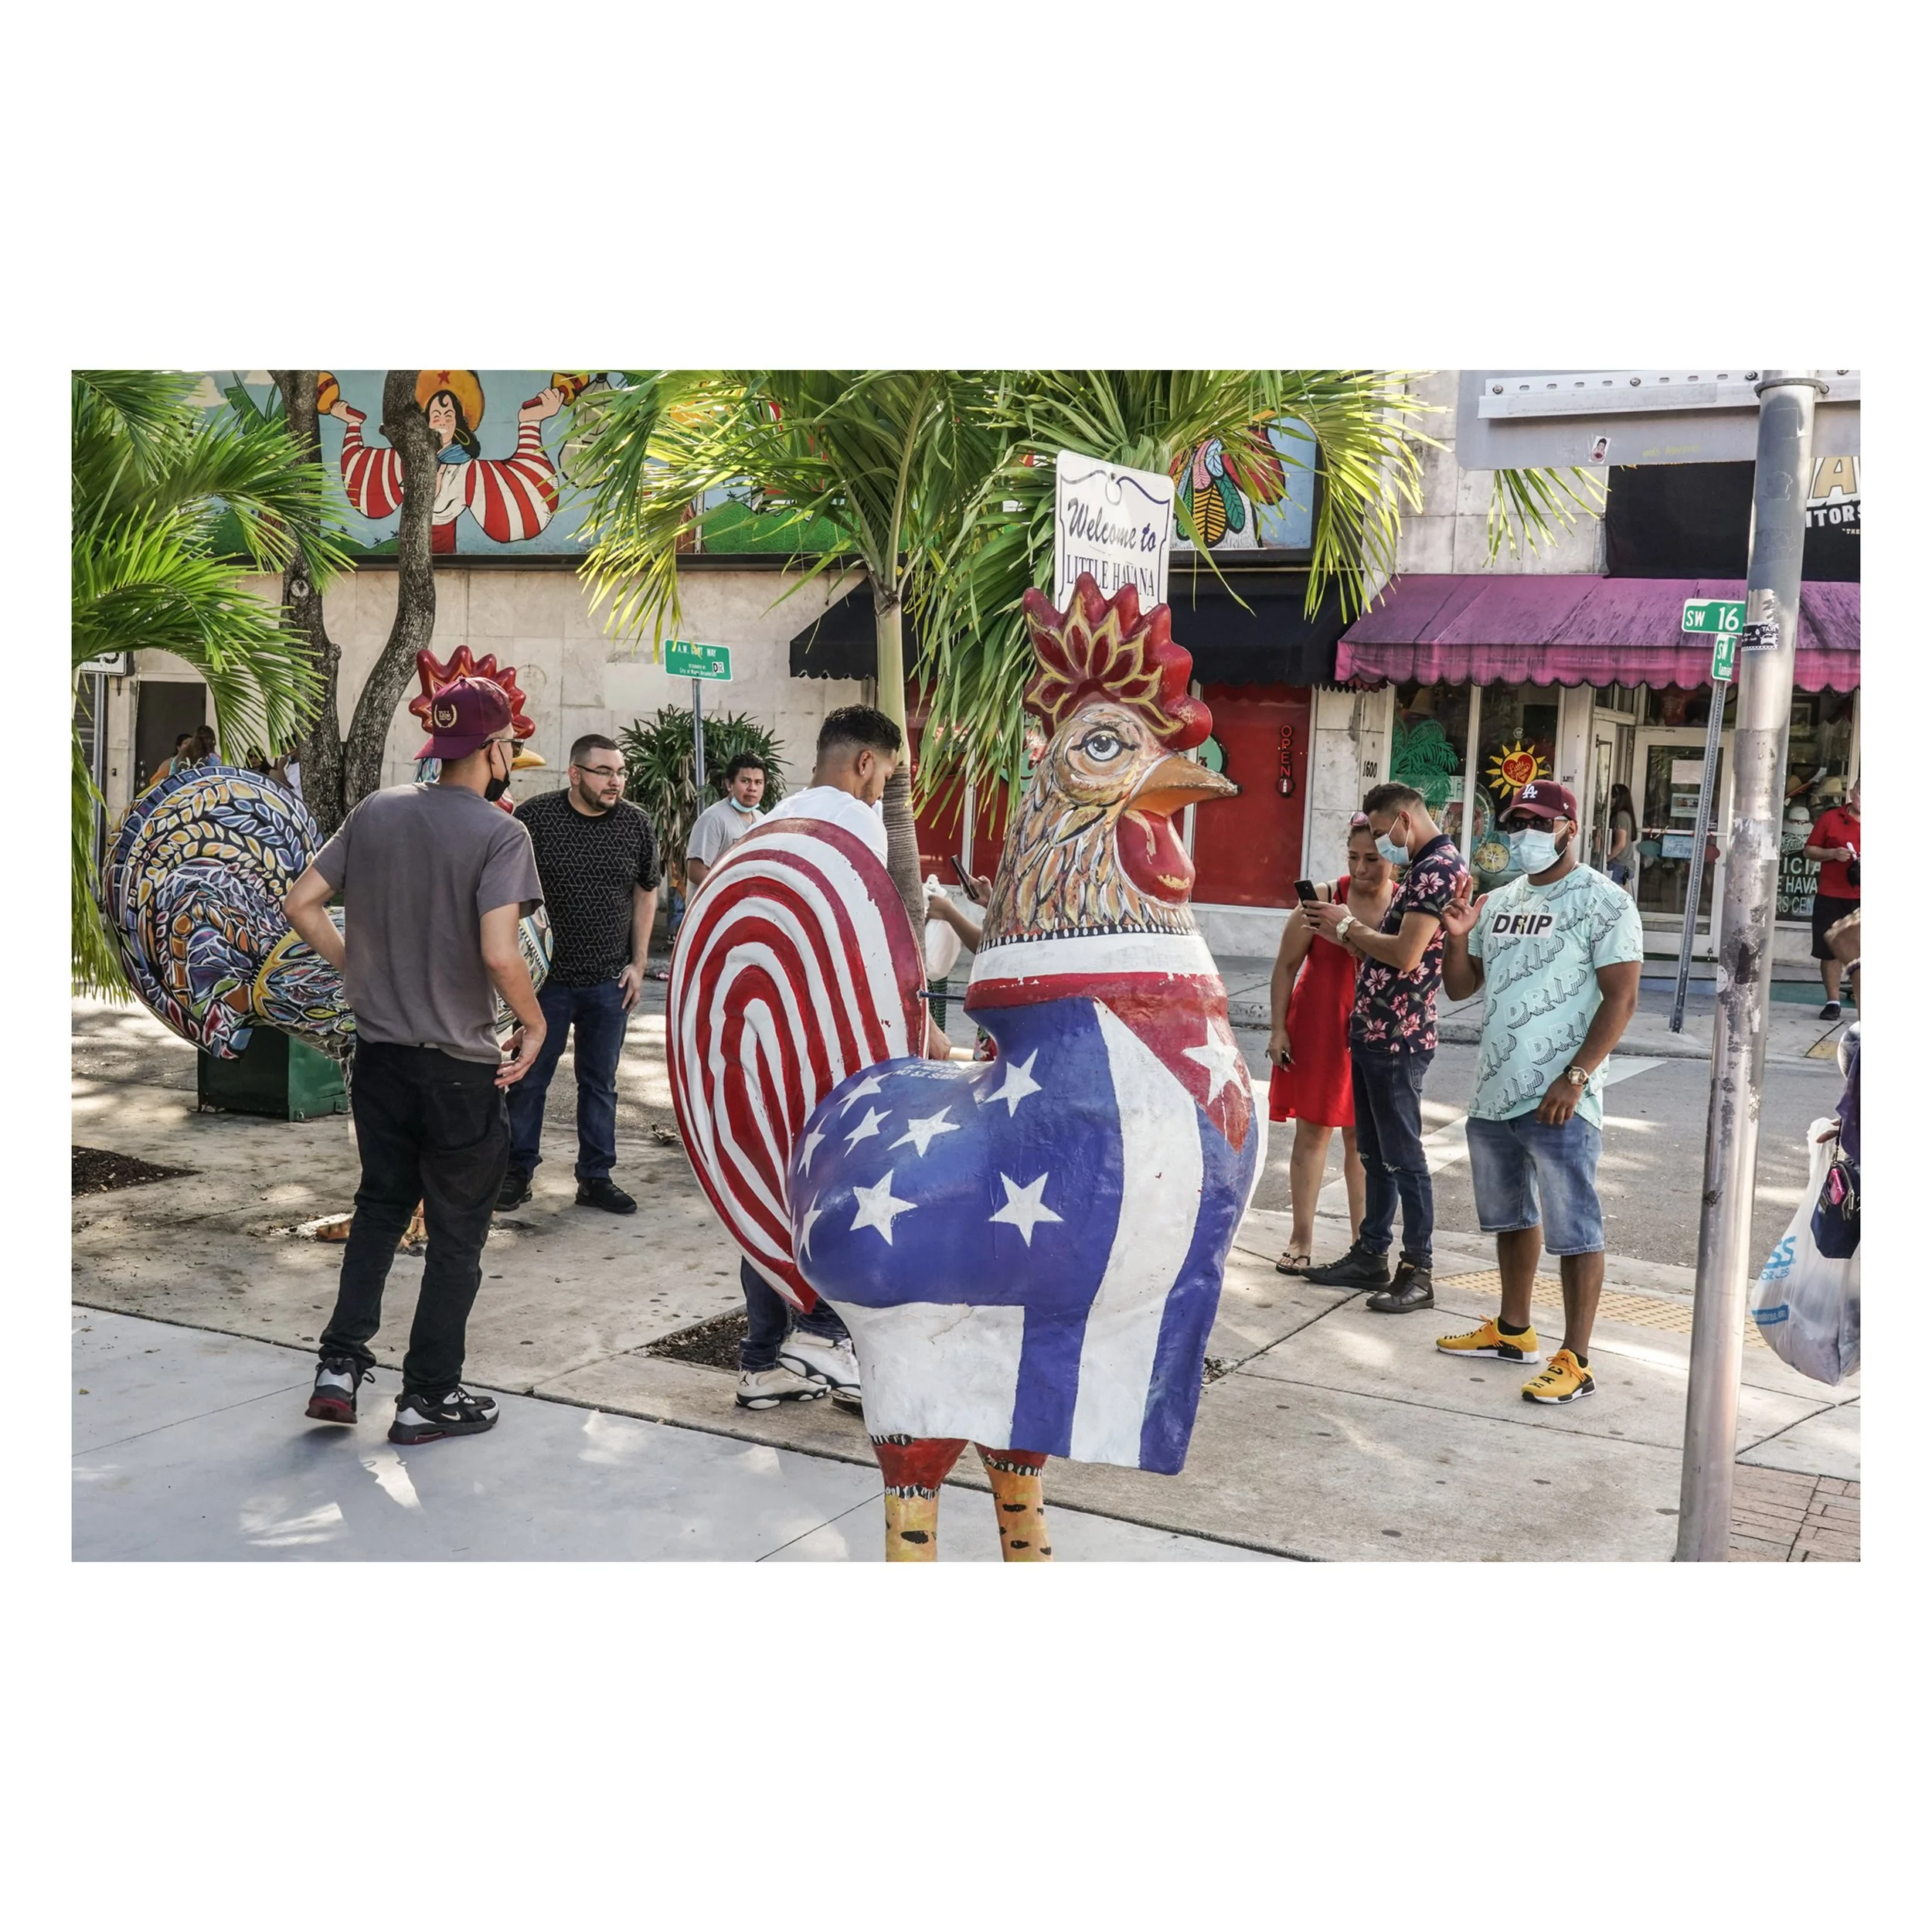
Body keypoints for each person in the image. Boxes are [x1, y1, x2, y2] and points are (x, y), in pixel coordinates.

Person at [284, 675, 546, 1445]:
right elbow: (502, 954)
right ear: (496, 752)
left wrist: (356, 964)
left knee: (379, 1207)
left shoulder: (378, 811)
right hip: (458, 1067)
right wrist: (532, 1025)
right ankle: (428, 1396)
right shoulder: (502, 834)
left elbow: (301, 904)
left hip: (380, 1059)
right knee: (457, 1233)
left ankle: (339, 1367)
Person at [1435, 780, 1643, 1405]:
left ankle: (1576, 1358)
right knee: (1512, 1218)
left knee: (1574, 1226)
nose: (1524, 831)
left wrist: (1576, 1077)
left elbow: (1622, 997)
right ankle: (1513, 1328)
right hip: (1497, 1090)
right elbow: (1461, 988)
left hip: (1562, 1097)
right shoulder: (1497, 903)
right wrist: (1456, 934)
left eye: (1537, 821)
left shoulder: (1605, 903)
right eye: (1516, 820)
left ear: (1568, 829)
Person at [730, 706, 908, 1410]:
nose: (881, 792)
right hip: (827, 1043)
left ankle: (760, 1364)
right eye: (885, 777)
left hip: (763, 1037)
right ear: (866, 762)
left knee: (775, 1198)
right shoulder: (853, 820)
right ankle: (827, 1339)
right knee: (842, 1197)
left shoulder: (776, 817)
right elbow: (861, 935)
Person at [1301, 781, 1467, 1312]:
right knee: (1374, 1154)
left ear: (1403, 821)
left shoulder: (1437, 869)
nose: (1379, 846)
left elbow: (1406, 955)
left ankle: (1418, 1269)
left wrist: (1347, 925)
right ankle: (1371, 1253)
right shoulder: (1423, 869)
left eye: (1379, 834)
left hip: (1399, 1035)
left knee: (1403, 1156)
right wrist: (1344, 935)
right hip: (1375, 1030)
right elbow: (1387, 950)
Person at [500, 733, 661, 1214]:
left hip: (608, 982)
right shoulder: (535, 818)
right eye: (605, 772)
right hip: (543, 983)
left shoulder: (636, 823)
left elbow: (646, 891)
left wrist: (638, 964)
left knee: (600, 1083)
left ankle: (595, 1177)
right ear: (575, 774)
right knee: (528, 1079)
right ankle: (515, 1171)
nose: (616, 781)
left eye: (621, 772)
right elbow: (509, 893)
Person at [1265, 815, 1394, 1274]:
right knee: (1314, 1131)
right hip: (1319, 1026)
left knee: (1364, 1140)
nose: (1361, 869)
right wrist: (1278, 1029)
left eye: (1373, 860)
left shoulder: (1404, 905)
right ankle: (1301, 1238)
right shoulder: (1318, 901)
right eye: (1353, 857)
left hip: (1375, 1032)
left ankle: (1364, 1244)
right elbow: (1285, 967)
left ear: (1393, 859)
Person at [1803, 776, 1860, 1019]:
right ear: (1852, 793)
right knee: (1830, 951)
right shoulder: (1830, 818)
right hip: (1831, 894)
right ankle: (1833, 1001)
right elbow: (1809, 850)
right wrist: (1831, 854)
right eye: (1863, 793)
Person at [684, 752, 769, 893]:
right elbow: (696, 872)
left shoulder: (762, 820)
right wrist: (735, 891)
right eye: (745, 781)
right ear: (729, 784)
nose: (752, 788)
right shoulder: (713, 819)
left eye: (758, 782)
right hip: (713, 911)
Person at [1605, 781, 1638, 893]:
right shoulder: (1624, 815)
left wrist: (1606, 859)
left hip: (1618, 865)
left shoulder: (1621, 816)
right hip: (1622, 866)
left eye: (1613, 797)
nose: (1610, 800)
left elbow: (1620, 844)